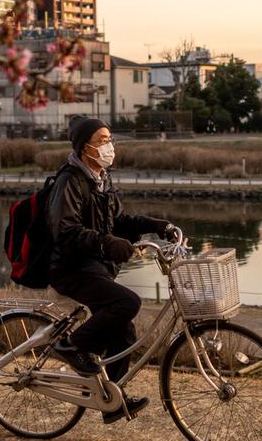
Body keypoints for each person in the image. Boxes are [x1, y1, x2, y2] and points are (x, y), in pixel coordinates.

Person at [47, 117, 176, 424]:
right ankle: (70, 345)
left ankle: (111, 399)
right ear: (84, 147)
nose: (109, 146)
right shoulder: (70, 181)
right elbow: (65, 232)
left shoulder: (102, 179)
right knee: (128, 302)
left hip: (96, 266)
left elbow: (120, 222)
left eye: (110, 140)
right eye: (102, 141)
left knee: (125, 334)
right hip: (70, 267)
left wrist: (156, 226)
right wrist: (107, 244)